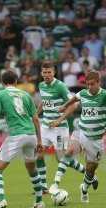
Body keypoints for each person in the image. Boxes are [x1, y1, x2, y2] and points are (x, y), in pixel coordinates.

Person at [49, 71, 106, 202]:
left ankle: (84, 188)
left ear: (99, 83)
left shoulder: (105, 95)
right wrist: (65, 105)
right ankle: (55, 184)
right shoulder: (83, 93)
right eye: (87, 84)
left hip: (96, 140)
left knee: (90, 170)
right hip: (81, 132)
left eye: (92, 84)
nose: (89, 87)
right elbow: (75, 98)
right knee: (69, 151)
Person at [0, 70, 44, 208]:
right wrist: (39, 140)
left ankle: (0, 200)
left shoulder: (0, 95)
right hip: (31, 135)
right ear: (16, 81)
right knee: (31, 168)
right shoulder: (25, 94)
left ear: (2, 83)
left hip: (17, 135)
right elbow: (35, 118)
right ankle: (39, 201)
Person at [36, 62, 85, 193]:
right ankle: (43, 186)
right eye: (44, 72)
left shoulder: (61, 86)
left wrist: (59, 120)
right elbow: (44, 101)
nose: (46, 75)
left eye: (49, 72)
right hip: (45, 126)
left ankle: (86, 172)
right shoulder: (41, 85)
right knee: (39, 153)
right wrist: (36, 113)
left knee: (61, 158)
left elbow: (74, 105)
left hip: (60, 128)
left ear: (54, 72)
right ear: (41, 73)